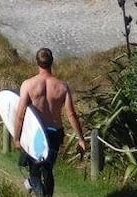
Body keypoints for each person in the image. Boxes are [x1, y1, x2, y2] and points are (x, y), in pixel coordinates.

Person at [13, 47, 87, 196]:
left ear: (37, 62)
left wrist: (16, 138)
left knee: (34, 171)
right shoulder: (62, 87)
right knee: (48, 169)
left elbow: (20, 115)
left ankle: (37, 191)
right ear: (52, 62)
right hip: (54, 133)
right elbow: (71, 114)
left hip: (36, 133)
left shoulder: (28, 85)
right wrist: (81, 139)